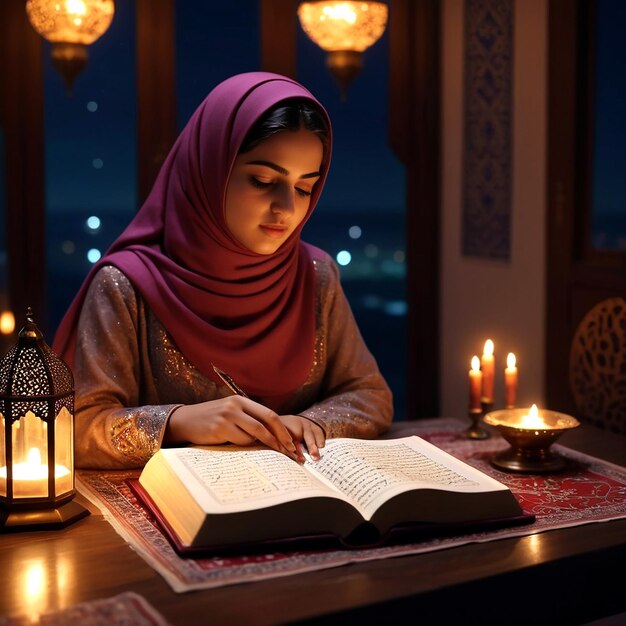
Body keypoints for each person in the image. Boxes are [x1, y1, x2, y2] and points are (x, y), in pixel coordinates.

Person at [53, 72, 393, 470]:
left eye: (305, 188)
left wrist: (309, 424)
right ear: (210, 171)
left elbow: (370, 393)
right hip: (178, 518)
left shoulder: (314, 275)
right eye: (263, 180)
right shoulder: (126, 285)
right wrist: (177, 422)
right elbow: (75, 427)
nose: (286, 208)